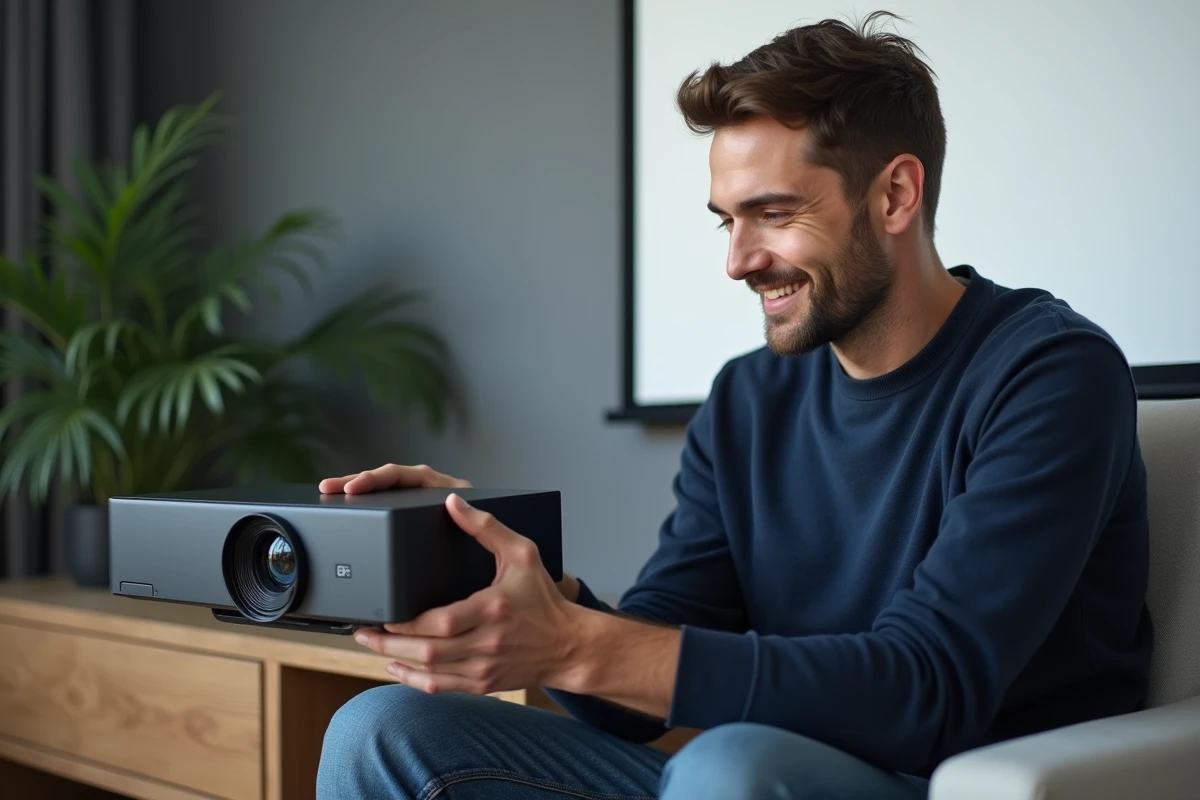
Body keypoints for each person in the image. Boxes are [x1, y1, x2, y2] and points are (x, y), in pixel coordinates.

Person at [314, 11, 1153, 800]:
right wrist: (529, 588)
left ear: (895, 196)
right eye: (727, 223)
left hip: (947, 779)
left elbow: (927, 690)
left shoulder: (1050, 373)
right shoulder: (750, 398)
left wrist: (579, 645)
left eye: (775, 214)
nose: (740, 261)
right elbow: (634, 691)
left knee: (730, 762)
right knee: (382, 730)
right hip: (741, 780)